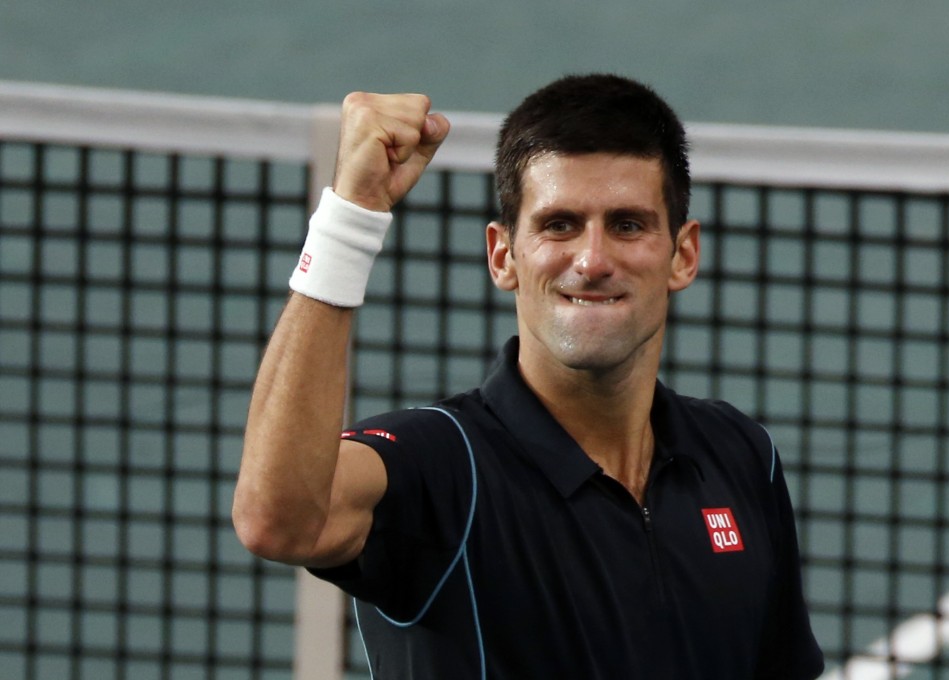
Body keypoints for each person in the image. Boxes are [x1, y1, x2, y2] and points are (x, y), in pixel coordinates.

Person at [233, 74, 824, 679]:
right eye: (559, 225)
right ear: (502, 255)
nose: (592, 260)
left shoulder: (740, 457)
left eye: (627, 225)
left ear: (683, 254)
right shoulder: (442, 465)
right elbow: (278, 521)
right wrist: (350, 218)